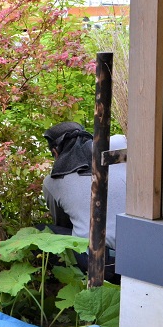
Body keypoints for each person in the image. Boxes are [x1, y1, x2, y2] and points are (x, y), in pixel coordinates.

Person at [41, 121, 127, 283]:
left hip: (103, 266)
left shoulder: (52, 181)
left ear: (55, 152)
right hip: (145, 253)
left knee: (41, 233)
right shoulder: (118, 144)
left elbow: (62, 223)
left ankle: (71, 284)